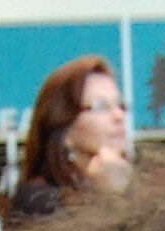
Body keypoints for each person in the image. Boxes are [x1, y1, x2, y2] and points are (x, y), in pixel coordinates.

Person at [12, 57, 128, 221]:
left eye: (120, 105)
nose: (119, 116)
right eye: (101, 107)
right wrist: (108, 196)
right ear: (65, 129)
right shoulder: (37, 200)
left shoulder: (138, 186)